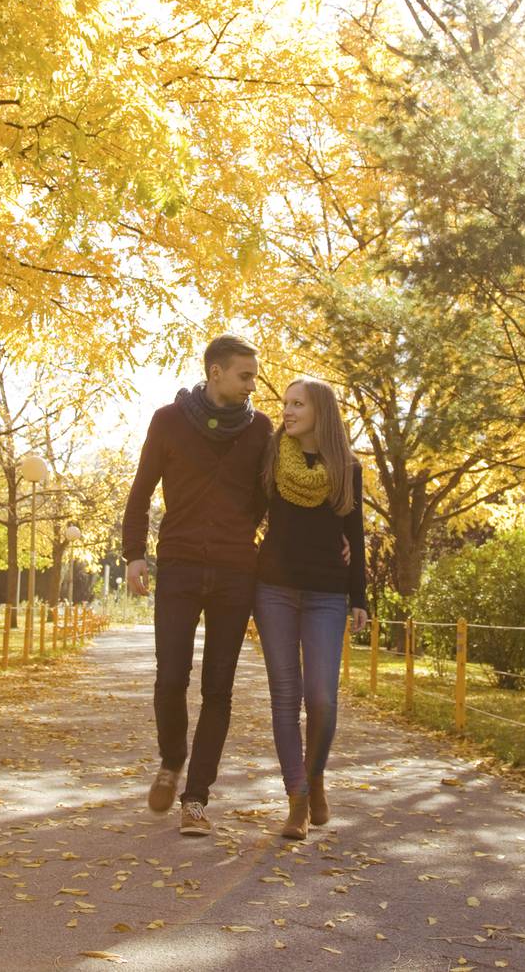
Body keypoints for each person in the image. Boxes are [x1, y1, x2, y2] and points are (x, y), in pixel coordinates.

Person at [122, 335, 273, 837]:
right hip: (181, 566)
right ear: (215, 372)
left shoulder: (261, 431)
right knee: (170, 676)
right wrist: (134, 556)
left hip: (235, 571)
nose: (253, 385)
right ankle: (172, 759)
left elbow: (271, 502)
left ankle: (196, 799)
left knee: (218, 689)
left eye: (253, 375)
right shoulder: (168, 421)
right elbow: (141, 490)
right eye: (244, 375)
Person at [251, 377, 367, 841]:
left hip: (325, 594)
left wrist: (359, 597)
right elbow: (248, 514)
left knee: (322, 698)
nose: (288, 411)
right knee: (286, 696)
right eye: (286, 404)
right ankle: (297, 797)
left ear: (321, 410)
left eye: (297, 404)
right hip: (274, 589)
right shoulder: (271, 459)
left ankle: (315, 773)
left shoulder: (347, 469)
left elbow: (354, 535)